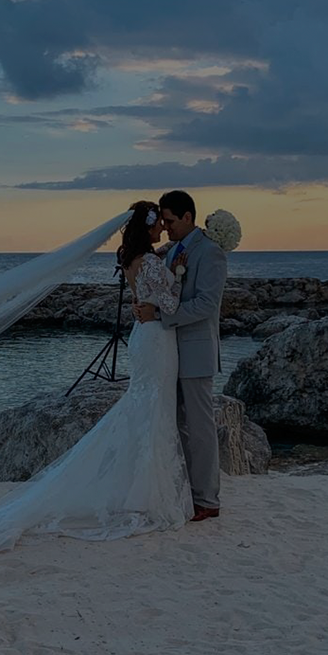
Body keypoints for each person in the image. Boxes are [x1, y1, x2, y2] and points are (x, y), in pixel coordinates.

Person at [0, 201, 193, 556]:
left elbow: (149, 295)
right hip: (157, 339)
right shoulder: (149, 262)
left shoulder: (131, 260)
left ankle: (139, 491)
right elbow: (172, 304)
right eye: (158, 223)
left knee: (144, 409)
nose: (162, 227)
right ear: (147, 228)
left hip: (141, 337)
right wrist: (177, 273)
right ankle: (148, 495)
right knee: (153, 410)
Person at [134, 190, 228, 522]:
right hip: (170, 351)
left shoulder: (211, 254)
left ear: (188, 218)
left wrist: (160, 315)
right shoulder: (172, 249)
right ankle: (184, 491)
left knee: (201, 428)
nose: (166, 226)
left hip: (197, 350)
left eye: (170, 220)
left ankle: (207, 499)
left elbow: (205, 305)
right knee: (176, 424)